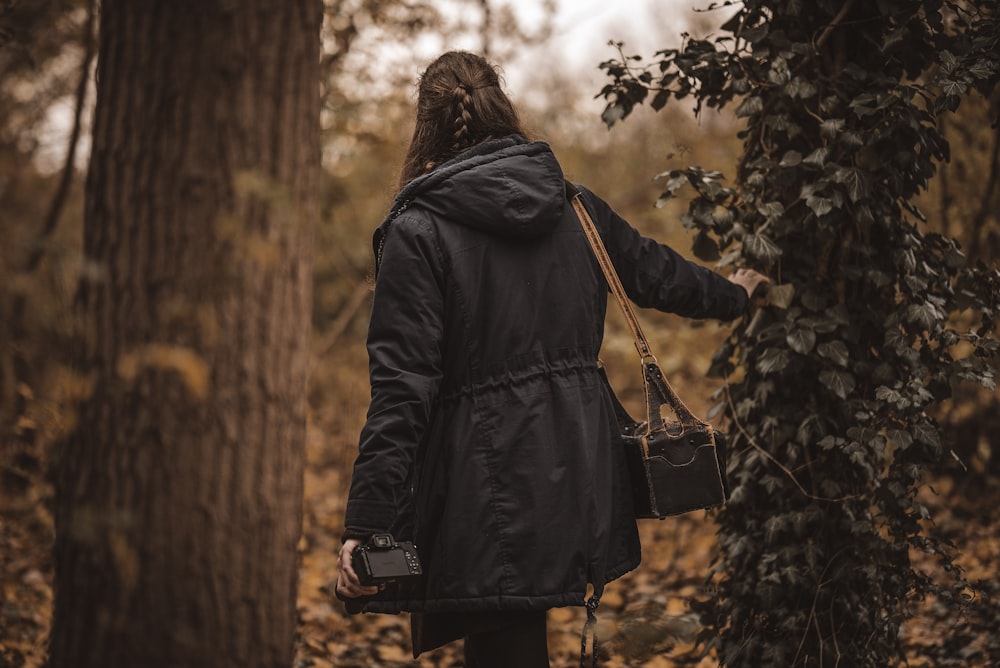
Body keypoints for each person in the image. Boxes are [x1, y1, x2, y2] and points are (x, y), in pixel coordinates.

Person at [335, 50, 769, 667]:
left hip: (479, 479)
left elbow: (402, 390)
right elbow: (659, 273)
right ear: (504, 110)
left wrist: (367, 524)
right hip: (574, 463)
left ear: (425, 128)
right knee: (514, 639)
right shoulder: (575, 207)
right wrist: (737, 294)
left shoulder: (418, 231)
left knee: (505, 643)